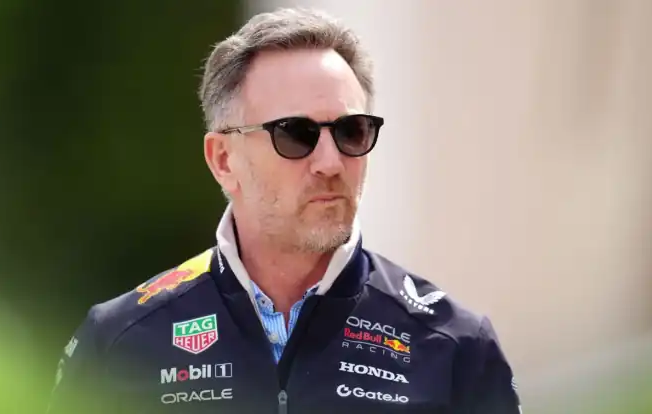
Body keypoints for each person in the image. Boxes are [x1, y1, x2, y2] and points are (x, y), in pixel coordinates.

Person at [46, 7, 522, 414]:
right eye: (295, 134)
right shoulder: (119, 343)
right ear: (223, 160)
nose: (331, 163)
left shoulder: (456, 347)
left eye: (351, 131)